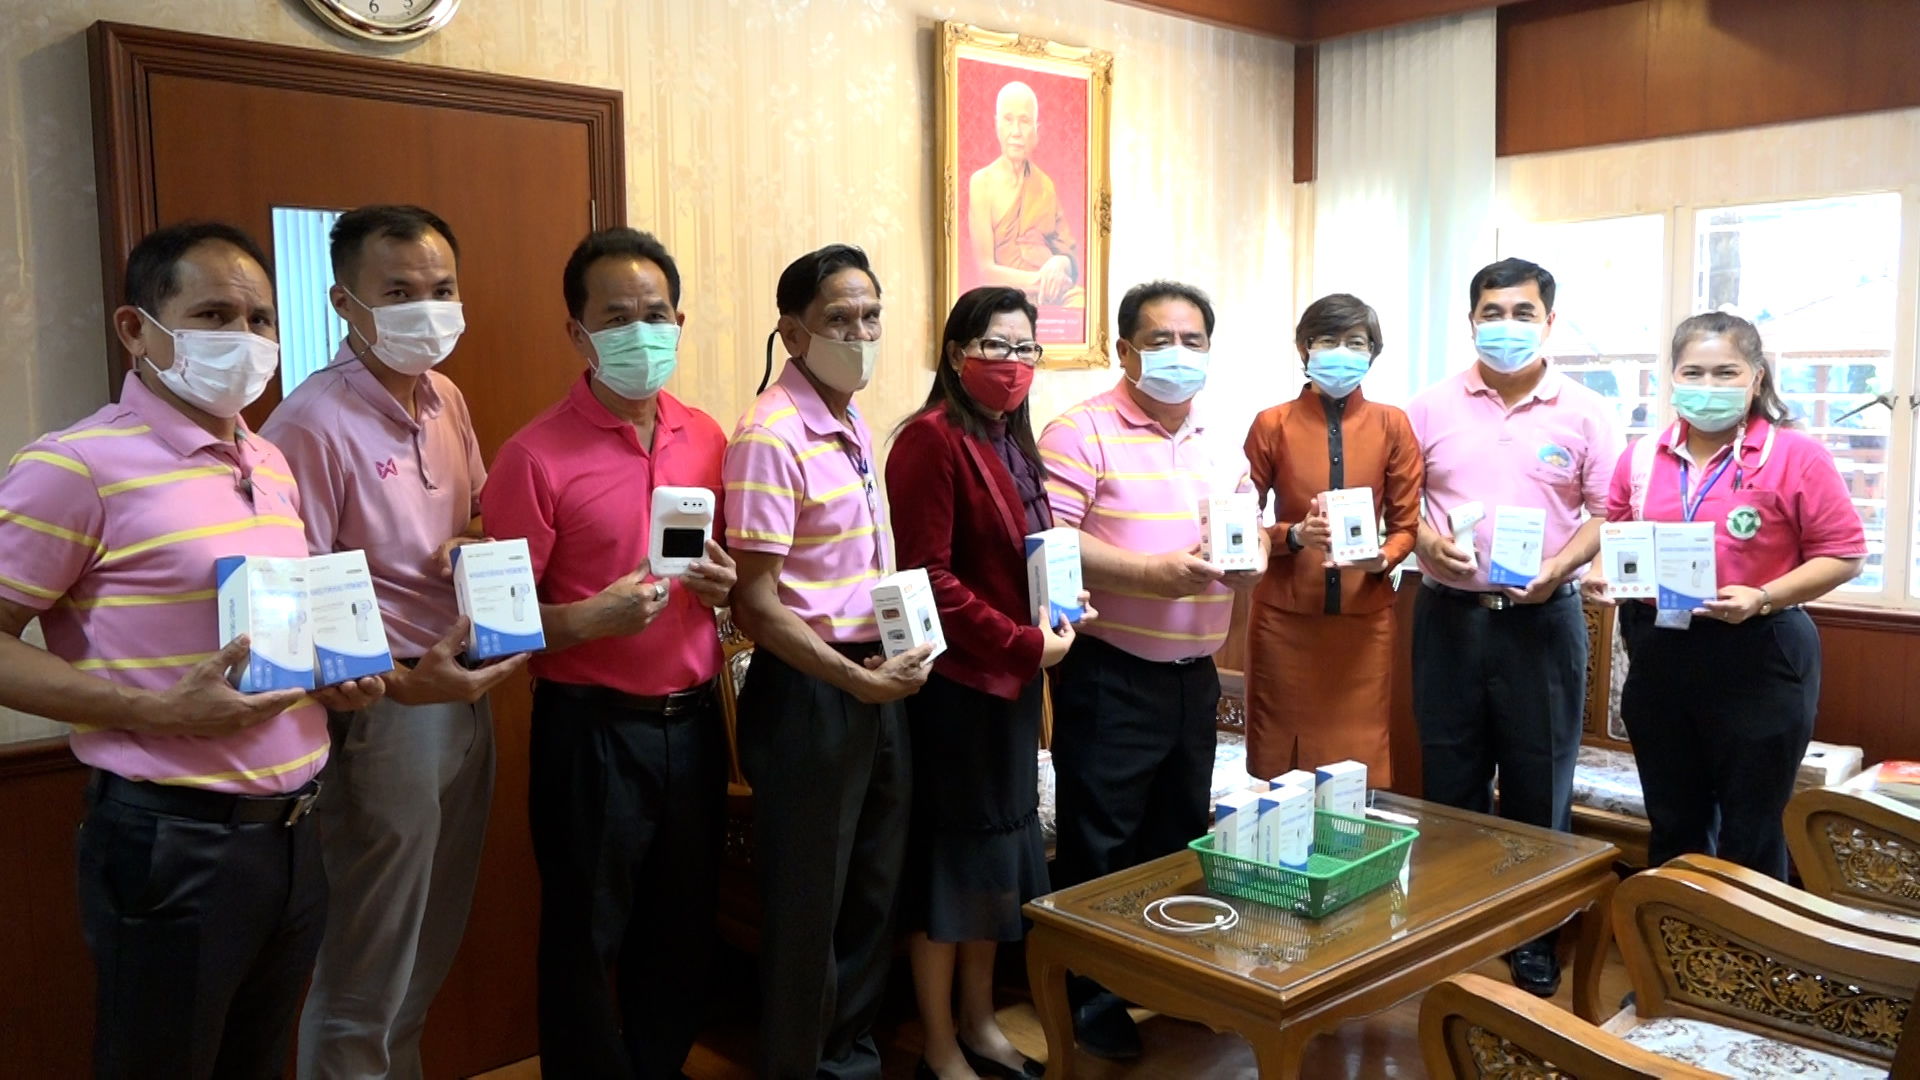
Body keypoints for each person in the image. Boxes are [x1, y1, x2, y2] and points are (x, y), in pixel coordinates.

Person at [0, 222, 383, 1077]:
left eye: (259, 319)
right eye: (214, 315)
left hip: (293, 834)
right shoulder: (75, 466)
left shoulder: (269, 460)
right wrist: (155, 710)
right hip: (171, 839)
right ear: (136, 329)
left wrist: (330, 675)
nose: (244, 339)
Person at [264, 204, 527, 1080]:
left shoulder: (446, 397)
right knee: (367, 965)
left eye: (442, 289)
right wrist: (405, 686)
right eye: (401, 292)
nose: (429, 309)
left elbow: (477, 515)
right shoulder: (310, 422)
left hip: (464, 691)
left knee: (427, 945)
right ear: (345, 302)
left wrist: (474, 547)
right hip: (386, 709)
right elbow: (296, 592)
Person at [481, 228, 737, 1079]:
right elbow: (495, 626)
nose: (641, 332)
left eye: (656, 314)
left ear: (680, 322)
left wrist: (725, 585)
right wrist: (590, 619)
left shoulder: (707, 437)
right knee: (585, 939)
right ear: (578, 331)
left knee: (682, 927)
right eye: (617, 317)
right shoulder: (532, 455)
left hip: (694, 724)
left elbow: (727, 576)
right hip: (589, 734)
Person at [1035, 280, 1263, 1058]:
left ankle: (1163, 978)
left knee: (1176, 837)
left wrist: (1253, 561)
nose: (1178, 354)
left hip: (1195, 676)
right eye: (1160, 340)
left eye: (1193, 340)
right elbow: (1053, 543)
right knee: (1101, 843)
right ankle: (1090, 993)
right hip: (1112, 671)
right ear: (1125, 350)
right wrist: (1149, 575)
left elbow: (1246, 532)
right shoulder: (1079, 431)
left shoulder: (1217, 440)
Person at [724, 243, 934, 1080]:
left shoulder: (849, 422)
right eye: (839, 318)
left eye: (871, 315)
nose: (861, 333)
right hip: (812, 692)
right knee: (809, 908)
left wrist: (889, 668)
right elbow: (756, 604)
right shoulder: (770, 433)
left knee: (873, 893)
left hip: (876, 682)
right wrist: (856, 681)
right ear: (793, 332)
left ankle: (848, 1059)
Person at [1405, 257, 1622, 997]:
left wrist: (1559, 566)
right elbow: (1401, 503)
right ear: (1471, 322)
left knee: (1539, 783)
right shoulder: (1428, 407)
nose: (1506, 327)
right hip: (1448, 618)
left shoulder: (1587, 412)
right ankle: (1456, 925)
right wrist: (1426, 543)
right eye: (1491, 313)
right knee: (1451, 782)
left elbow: (1607, 512)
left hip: (1543, 622)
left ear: (1549, 322)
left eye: (1522, 313)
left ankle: (1534, 935)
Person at [1583, 312, 1863, 879]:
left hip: (1759, 650)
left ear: (1755, 378)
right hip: (1660, 649)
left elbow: (1844, 554)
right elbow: (1616, 532)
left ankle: (1748, 938)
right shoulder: (1642, 456)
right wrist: (1599, 569)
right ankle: (1676, 933)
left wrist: (1762, 595)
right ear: (1672, 377)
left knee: (1752, 829)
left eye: (1725, 372)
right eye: (1693, 372)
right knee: (1674, 823)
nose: (1707, 386)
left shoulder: (1796, 455)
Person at [887, 286, 1083, 1080]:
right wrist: (1023, 644)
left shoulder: (1011, 438)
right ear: (957, 352)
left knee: (993, 867)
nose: (1013, 362)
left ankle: (980, 1022)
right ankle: (938, 1044)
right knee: (951, 871)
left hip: (1012, 688)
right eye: (996, 345)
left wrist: (1061, 613)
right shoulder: (929, 439)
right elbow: (928, 577)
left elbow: (1032, 554)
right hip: (958, 692)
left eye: (1026, 347)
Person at [1242, 294, 1422, 784]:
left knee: (1358, 760)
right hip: (1284, 618)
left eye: (1356, 342)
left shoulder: (1393, 424)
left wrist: (1382, 558)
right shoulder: (1271, 423)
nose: (1342, 351)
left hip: (1364, 622)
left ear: (1372, 352)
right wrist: (1293, 535)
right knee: (1280, 761)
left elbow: (1407, 526)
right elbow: (1239, 523)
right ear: (1305, 348)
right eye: (1328, 340)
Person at [967, 81, 1083, 308]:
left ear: (1036, 131)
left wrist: (1060, 263)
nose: (1016, 132)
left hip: (1053, 291)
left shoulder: (1044, 185)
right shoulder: (982, 183)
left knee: (1082, 304)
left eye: (1025, 121)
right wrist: (1041, 281)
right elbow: (986, 272)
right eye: (1008, 120)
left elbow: (1067, 252)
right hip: (1008, 295)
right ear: (997, 125)